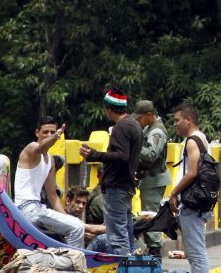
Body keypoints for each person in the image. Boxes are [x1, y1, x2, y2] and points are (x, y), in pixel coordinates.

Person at [79, 88, 143, 256]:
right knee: (127, 235)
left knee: (117, 238)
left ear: (108, 109)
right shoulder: (135, 125)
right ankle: (132, 269)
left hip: (116, 188)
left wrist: (94, 155)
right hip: (126, 186)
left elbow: (122, 156)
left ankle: (121, 270)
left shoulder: (120, 127)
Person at [14, 116, 84, 248]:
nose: (49, 135)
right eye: (45, 132)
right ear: (37, 133)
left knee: (75, 225)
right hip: (25, 209)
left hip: (38, 209)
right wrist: (55, 136)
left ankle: (68, 257)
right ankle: (72, 260)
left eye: (52, 132)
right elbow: (41, 147)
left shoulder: (50, 161)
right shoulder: (31, 148)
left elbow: (52, 195)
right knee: (77, 227)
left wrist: (66, 218)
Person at [168, 102, 212, 273]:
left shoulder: (193, 141)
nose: (175, 124)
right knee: (195, 252)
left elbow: (192, 172)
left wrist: (174, 192)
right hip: (198, 203)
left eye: (177, 120)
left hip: (193, 204)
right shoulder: (200, 139)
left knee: (196, 252)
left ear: (188, 120)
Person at [132, 100, 172, 258]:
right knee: (149, 215)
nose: (139, 120)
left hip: (154, 179)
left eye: (140, 117)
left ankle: (155, 254)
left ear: (149, 115)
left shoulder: (157, 132)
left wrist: (134, 146)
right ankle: (153, 253)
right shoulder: (149, 128)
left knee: (151, 216)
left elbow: (151, 154)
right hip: (149, 179)